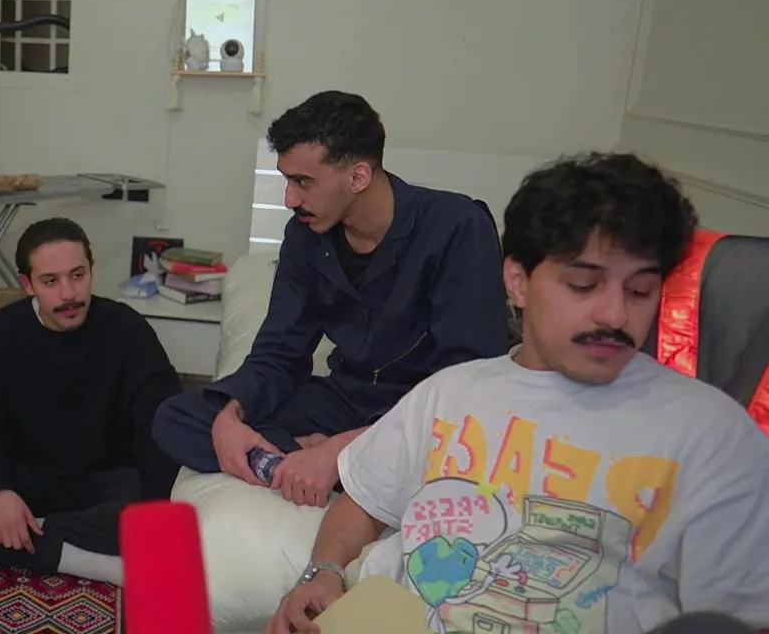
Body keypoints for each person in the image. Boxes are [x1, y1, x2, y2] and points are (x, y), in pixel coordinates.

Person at [265, 153, 769, 634]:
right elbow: (363, 501)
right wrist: (323, 573)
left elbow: (738, 618)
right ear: (518, 283)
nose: (616, 315)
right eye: (583, 285)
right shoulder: (448, 394)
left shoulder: (712, 435)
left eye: (639, 291)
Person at [153, 91, 511, 507]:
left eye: (303, 182)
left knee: (462, 442)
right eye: (286, 180)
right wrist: (228, 417)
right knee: (178, 418)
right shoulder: (304, 235)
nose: (289, 199)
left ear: (358, 177)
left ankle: (329, 462)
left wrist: (338, 449)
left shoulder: (456, 227)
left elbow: (467, 381)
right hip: (344, 398)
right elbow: (279, 352)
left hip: (422, 410)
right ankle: (324, 464)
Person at [0, 217, 181, 585]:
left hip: (105, 477)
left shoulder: (127, 329)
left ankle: (21, 536)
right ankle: (85, 559)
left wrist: (152, 512)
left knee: (155, 508)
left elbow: (160, 424)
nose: (69, 294)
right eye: (50, 281)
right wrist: (1, 494)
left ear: (92, 270)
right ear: (28, 285)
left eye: (77, 275)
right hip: (29, 475)